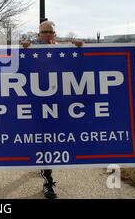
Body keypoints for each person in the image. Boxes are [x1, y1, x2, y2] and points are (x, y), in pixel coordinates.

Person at [22, 20, 83, 199]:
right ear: (39, 34)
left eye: (51, 32)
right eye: (44, 32)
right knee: (45, 140)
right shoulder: (30, 51)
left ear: (55, 34)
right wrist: (22, 51)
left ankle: (43, 163)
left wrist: (82, 50)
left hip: (61, 104)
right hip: (39, 104)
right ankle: (48, 180)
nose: (48, 35)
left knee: (58, 139)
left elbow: (81, 71)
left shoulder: (65, 50)